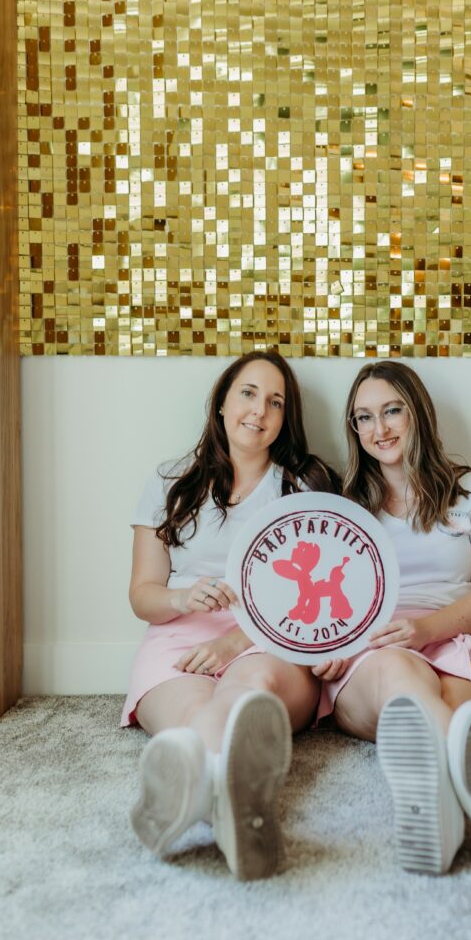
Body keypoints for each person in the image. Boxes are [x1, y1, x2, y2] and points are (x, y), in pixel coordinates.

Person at [312, 361, 471, 876]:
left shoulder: (470, 491)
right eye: (364, 418)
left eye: (391, 411)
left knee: (448, 712)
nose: (379, 429)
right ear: (353, 428)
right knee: (403, 682)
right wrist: (333, 643)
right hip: (375, 650)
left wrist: (427, 629)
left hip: (461, 639)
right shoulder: (345, 504)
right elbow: (323, 597)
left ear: (418, 413)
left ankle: (435, 809)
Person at [122, 351, 339, 880]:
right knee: (196, 718)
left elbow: (321, 596)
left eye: (275, 402)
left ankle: (192, 799)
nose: (259, 410)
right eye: (248, 393)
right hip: (180, 638)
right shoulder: (170, 481)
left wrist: (237, 641)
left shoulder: (303, 486)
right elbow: (142, 595)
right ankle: (233, 811)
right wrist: (181, 600)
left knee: (249, 694)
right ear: (221, 402)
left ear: (285, 418)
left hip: (273, 640)